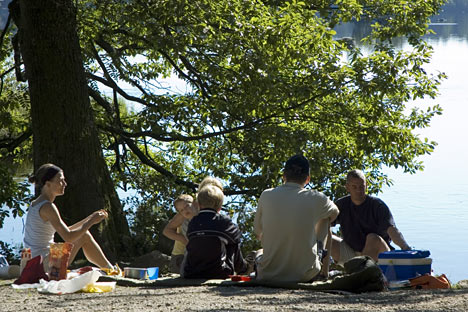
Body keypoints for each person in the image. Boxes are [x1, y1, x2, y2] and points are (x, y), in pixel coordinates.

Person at [254, 154, 339, 282]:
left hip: (268, 273)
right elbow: (335, 213)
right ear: (308, 179)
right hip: (305, 274)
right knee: (325, 218)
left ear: (283, 176)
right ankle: (324, 273)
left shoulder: (266, 195)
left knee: (259, 252)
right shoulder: (316, 198)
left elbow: (258, 233)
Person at [24, 163, 116, 272]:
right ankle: (110, 270)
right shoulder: (48, 207)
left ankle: (109, 269)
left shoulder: (36, 203)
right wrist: (91, 221)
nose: (65, 184)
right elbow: (69, 237)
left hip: (33, 263)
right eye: (60, 181)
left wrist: (91, 217)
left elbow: (67, 230)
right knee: (83, 236)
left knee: (83, 234)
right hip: (43, 265)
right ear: (48, 184)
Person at [331, 169, 411, 264]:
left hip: (379, 255)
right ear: (347, 187)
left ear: (366, 186)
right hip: (352, 254)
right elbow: (324, 223)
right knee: (327, 237)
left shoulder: (377, 205)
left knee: (373, 238)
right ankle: (321, 271)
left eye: (362, 186)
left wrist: (406, 248)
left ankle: (361, 271)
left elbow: (391, 230)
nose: (359, 190)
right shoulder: (341, 204)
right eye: (354, 187)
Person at [182, 183, 251, 278]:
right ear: (220, 206)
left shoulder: (193, 222)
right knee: (232, 240)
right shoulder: (223, 221)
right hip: (219, 272)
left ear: (198, 204)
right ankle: (243, 268)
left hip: (193, 272)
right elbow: (236, 237)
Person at [162, 194, 197, 274]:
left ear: (195, 203)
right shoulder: (183, 216)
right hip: (180, 256)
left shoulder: (203, 213)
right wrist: (183, 239)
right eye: (181, 210)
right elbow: (166, 231)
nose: (185, 210)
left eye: (187, 206)